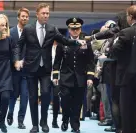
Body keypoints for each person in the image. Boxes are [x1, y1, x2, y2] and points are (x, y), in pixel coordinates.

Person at [13, 3, 86, 133]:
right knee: (33, 97)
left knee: (46, 94)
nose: (46, 15)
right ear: (37, 14)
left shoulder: (52, 28)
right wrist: (17, 59)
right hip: (31, 67)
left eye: (47, 13)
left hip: (46, 69)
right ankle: (35, 124)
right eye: (44, 13)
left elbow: (64, 40)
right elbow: (18, 45)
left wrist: (76, 41)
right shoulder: (28, 28)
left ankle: (44, 121)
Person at [52, 17, 95, 133]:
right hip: (66, 78)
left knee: (77, 103)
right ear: (69, 29)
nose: (75, 31)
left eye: (77, 29)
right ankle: (65, 119)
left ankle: (75, 125)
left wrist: (90, 77)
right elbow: (57, 61)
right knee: (65, 101)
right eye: (73, 29)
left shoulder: (86, 43)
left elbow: (91, 61)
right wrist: (55, 76)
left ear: (80, 29)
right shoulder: (63, 43)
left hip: (80, 78)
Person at [111, 5, 136, 133]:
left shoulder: (126, 32)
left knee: (127, 112)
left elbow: (114, 52)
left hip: (127, 78)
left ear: (131, 17)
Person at [7, 8, 29, 129]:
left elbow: (32, 51)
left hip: (26, 70)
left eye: (26, 16)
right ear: (18, 17)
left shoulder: (31, 32)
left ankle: (21, 120)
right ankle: (10, 113)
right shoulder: (11, 32)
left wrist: (23, 61)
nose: (24, 18)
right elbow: (8, 51)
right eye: (23, 16)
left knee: (24, 96)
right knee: (13, 95)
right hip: (13, 70)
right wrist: (15, 61)